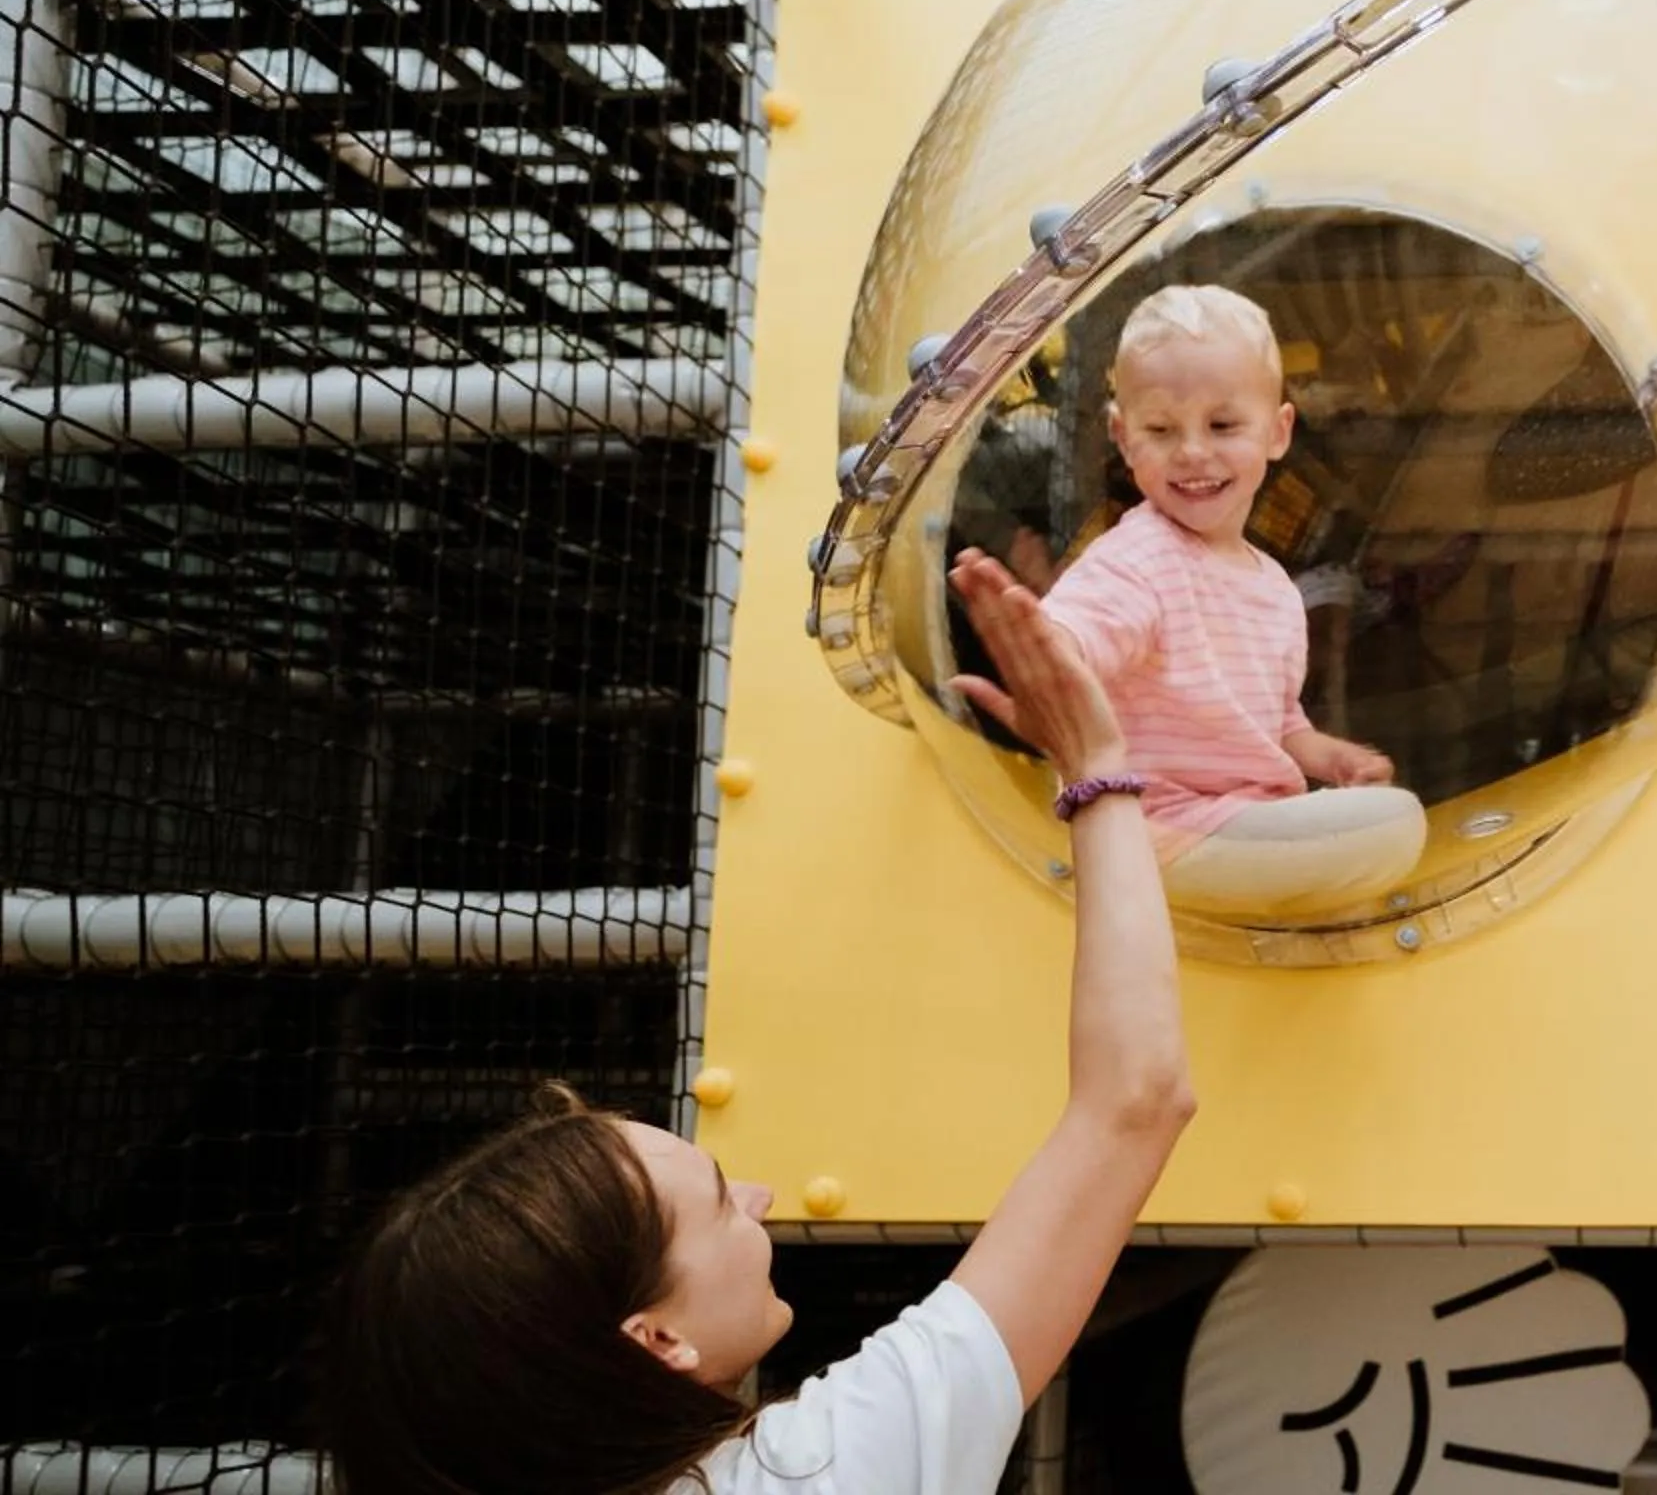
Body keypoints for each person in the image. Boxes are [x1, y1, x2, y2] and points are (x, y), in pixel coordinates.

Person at [318, 554, 1193, 1495]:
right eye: (722, 1201)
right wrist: (1097, 768)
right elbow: (1135, 1097)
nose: (764, 1198)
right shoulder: (823, 1470)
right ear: (657, 1341)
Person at [999, 283, 1425, 915]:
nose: (1194, 452)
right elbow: (1080, 635)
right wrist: (1045, 649)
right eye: (1161, 429)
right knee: (1396, 826)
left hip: (1241, 821)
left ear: (1278, 431)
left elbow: (1279, 726)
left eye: (1223, 425)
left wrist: (1330, 756)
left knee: (1371, 822)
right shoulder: (1138, 558)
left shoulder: (1275, 589)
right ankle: (1157, 861)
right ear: (1122, 436)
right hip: (1158, 826)